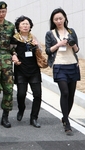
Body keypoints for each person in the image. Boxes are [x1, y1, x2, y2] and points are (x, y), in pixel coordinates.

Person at [45, 8, 80, 136]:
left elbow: (76, 50)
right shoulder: (50, 33)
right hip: (59, 65)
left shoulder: (71, 31)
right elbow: (48, 51)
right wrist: (59, 44)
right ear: (53, 21)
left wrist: (73, 44)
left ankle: (65, 117)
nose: (59, 21)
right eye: (56, 19)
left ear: (65, 18)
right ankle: (67, 123)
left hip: (72, 65)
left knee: (71, 94)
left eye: (60, 18)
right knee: (64, 92)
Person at [11, 16, 42, 128]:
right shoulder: (14, 39)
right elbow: (11, 50)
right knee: (21, 94)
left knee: (37, 95)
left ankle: (34, 117)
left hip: (34, 70)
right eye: (23, 24)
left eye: (27, 24)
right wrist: (13, 56)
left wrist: (36, 46)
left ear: (30, 26)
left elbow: (41, 52)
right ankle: (21, 108)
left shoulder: (33, 38)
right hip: (21, 70)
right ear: (18, 26)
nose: (25, 26)